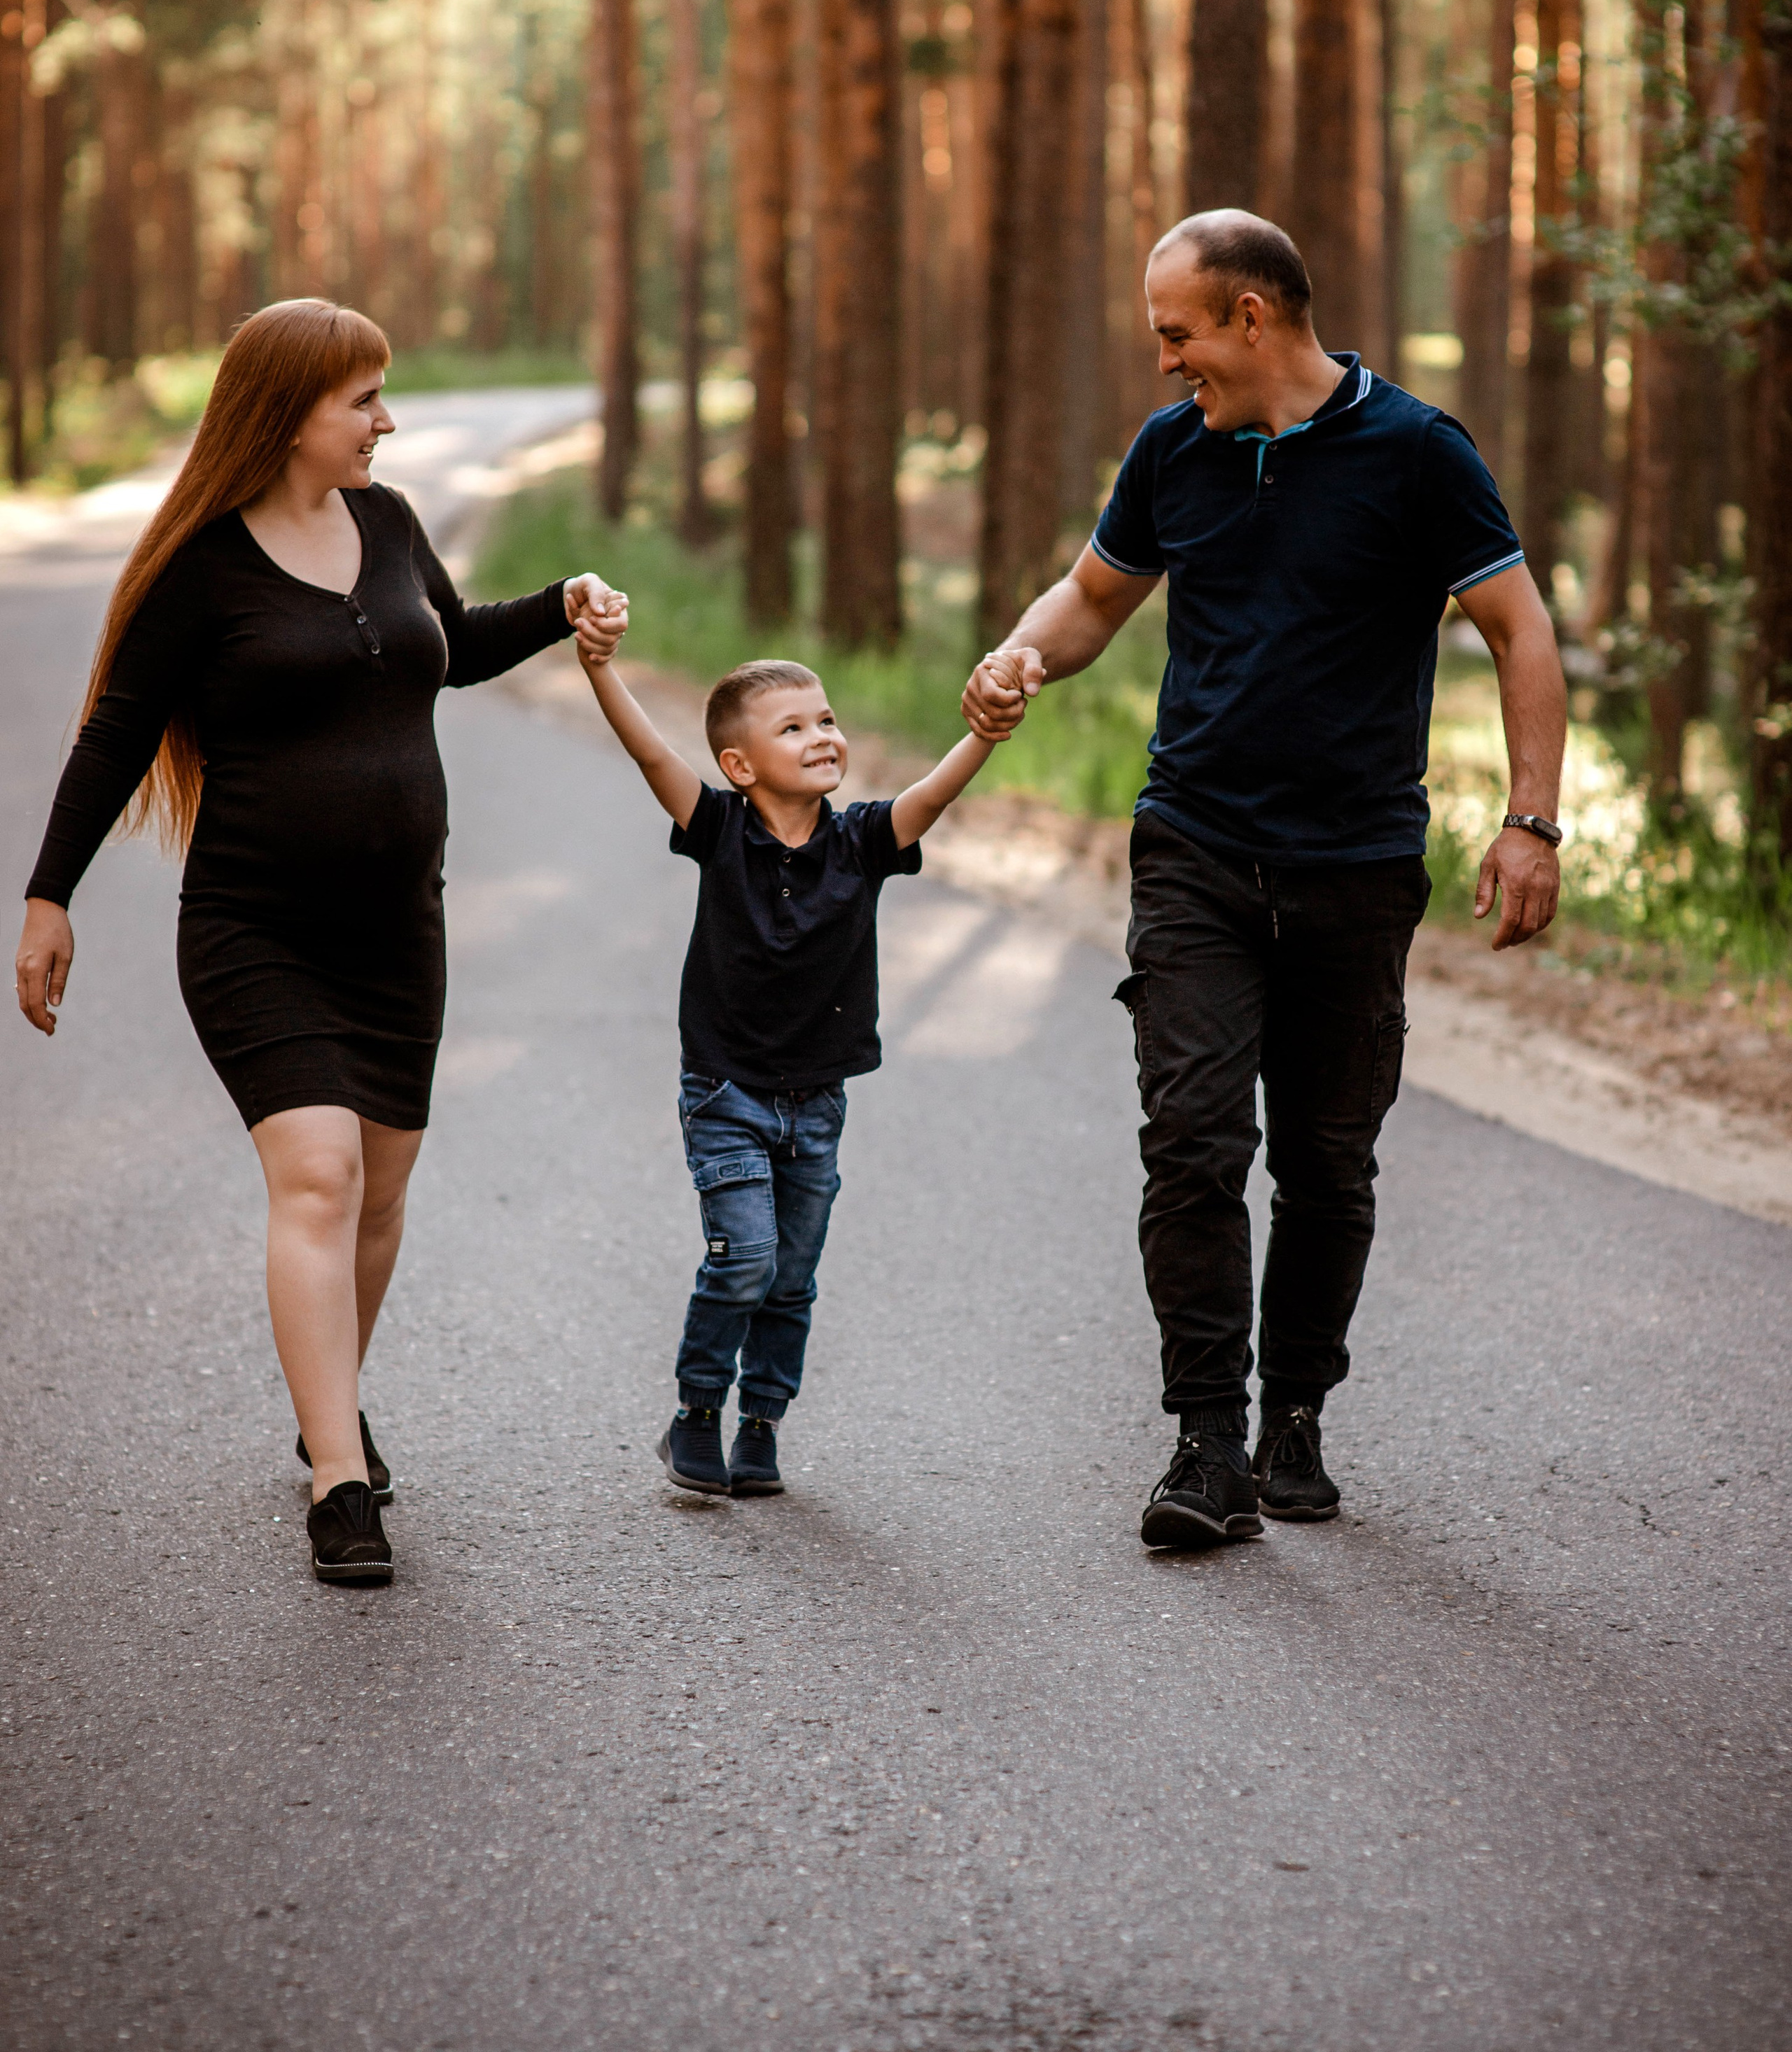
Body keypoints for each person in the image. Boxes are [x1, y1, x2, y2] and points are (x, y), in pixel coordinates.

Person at [961, 209, 1566, 1552]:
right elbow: (1093, 597)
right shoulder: (1176, 450)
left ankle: (1294, 1413)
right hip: (1194, 847)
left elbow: (1520, 629)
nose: (1167, 361)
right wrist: (1019, 654)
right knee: (1191, 1140)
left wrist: (1533, 820)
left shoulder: (1417, 453)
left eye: (1178, 333)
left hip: (1354, 865)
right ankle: (1206, 1443)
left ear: (1251, 316)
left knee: (1329, 1163)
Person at [14, 299, 608, 1587]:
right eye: (366, 400)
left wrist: (559, 604)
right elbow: (115, 733)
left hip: (401, 927)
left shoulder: (388, 526)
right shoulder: (203, 570)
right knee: (322, 1176)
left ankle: (324, 1398)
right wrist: (48, 894)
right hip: (255, 927)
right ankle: (341, 1480)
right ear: (288, 413)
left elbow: (449, 650)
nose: (387, 421)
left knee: (381, 1193)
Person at [570, 594, 1000, 1495]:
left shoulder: (861, 842)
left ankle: (759, 1426)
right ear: (739, 764)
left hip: (818, 1101)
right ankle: (696, 1411)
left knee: (792, 1282)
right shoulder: (719, 830)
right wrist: (601, 669)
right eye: (793, 726)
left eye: (828, 719)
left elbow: (933, 794)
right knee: (748, 1261)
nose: (823, 736)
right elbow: (652, 752)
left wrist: (986, 735)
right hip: (724, 1092)